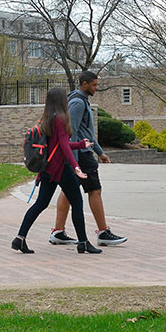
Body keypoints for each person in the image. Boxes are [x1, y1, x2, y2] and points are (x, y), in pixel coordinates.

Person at [11, 87, 102, 254]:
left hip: (47, 168)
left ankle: (19, 238)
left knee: (41, 203)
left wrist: (81, 144)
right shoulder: (60, 119)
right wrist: (76, 167)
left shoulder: (47, 118)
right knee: (77, 203)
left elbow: (60, 145)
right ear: (61, 100)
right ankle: (83, 242)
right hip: (61, 169)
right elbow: (65, 148)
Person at [50, 71, 127, 247]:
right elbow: (73, 131)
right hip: (82, 156)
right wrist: (75, 162)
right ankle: (103, 233)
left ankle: (58, 232)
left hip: (82, 154)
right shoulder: (77, 102)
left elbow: (87, 133)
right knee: (95, 190)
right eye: (94, 85)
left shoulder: (79, 101)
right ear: (84, 84)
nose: (96, 88)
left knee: (68, 192)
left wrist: (100, 152)